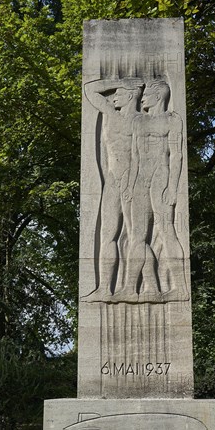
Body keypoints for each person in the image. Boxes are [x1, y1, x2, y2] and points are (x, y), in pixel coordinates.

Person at [114, 80, 189, 302]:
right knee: (136, 235)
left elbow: (176, 156)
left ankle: (181, 288)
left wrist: (173, 188)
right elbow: (135, 157)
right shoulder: (139, 122)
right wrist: (129, 185)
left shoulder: (172, 120)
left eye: (146, 94)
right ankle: (130, 288)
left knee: (166, 229)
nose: (143, 98)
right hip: (141, 180)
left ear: (158, 96)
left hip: (161, 177)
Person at [82, 78, 144, 301]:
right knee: (108, 235)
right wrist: (119, 81)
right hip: (112, 183)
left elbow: (141, 156)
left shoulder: (142, 122)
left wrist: (131, 182)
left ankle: (132, 289)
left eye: (119, 92)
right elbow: (90, 89)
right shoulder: (111, 114)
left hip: (133, 183)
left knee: (136, 238)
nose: (114, 95)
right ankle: (104, 289)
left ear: (130, 96)